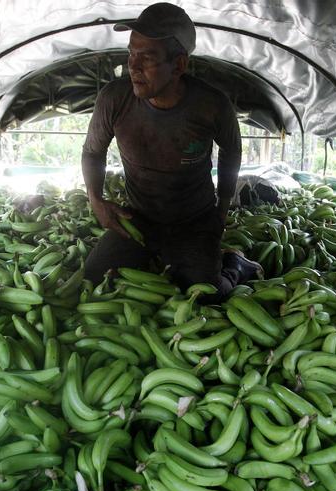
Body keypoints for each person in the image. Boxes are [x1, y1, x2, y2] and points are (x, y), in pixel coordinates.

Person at [81, 2, 262, 299]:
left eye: (147, 57)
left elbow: (232, 151)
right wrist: (96, 200)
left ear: (178, 65)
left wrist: (222, 208)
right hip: (138, 217)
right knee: (93, 278)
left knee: (208, 295)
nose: (133, 66)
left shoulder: (211, 105)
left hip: (193, 221)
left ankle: (236, 264)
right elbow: (92, 152)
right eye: (131, 53)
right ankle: (158, 257)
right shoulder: (114, 99)